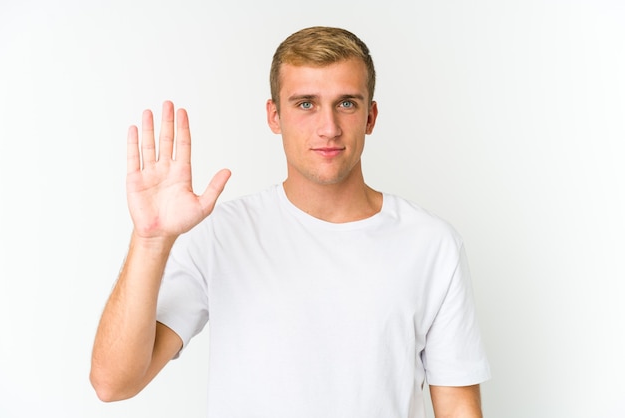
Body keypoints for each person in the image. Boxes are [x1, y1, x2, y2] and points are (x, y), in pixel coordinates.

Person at [90, 26, 490, 417]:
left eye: (347, 103)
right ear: (274, 115)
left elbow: (457, 404)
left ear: (370, 116)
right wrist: (150, 241)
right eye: (305, 103)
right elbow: (113, 383)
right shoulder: (221, 234)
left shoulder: (431, 244)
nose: (329, 128)